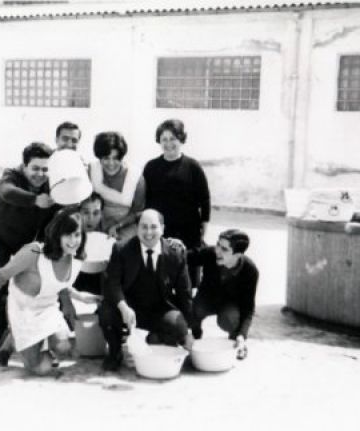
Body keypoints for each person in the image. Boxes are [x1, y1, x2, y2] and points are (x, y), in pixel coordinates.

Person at [0, 207, 101, 374]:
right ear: (57, 234)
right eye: (67, 234)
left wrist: (81, 297)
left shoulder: (77, 257)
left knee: (63, 346)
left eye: (77, 234)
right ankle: (12, 339)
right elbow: (0, 276)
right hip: (23, 309)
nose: (73, 241)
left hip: (47, 307)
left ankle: (22, 340)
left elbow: (59, 284)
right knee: (42, 368)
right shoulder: (34, 251)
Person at [0, 142, 59, 365]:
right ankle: (0, 339)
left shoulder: (51, 185)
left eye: (45, 169)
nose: (40, 174)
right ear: (24, 166)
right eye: (35, 168)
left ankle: (36, 337)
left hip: (24, 240)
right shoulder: (11, 175)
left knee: (38, 284)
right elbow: (6, 192)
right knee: (1, 283)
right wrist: (35, 200)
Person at [98, 209, 193, 371]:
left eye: (154, 227)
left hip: (161, 309)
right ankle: (115, 352)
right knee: (106, 311)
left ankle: (153, 340)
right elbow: (112, 283)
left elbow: (185, 293)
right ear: (137, 228)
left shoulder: (175, 254)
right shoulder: (121, 249)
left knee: (177, 326)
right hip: (129, 309)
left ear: (162, 228)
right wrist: (123, 307)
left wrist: (189, 330)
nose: (148, 232)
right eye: (144, 227)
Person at [142, 119, 211, 288]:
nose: (168, 143)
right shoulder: (151, 167)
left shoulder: (193, 166)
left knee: (189, 279)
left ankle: (187, 310)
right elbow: (146, 200)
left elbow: (205, 198)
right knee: (162, 275)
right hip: (162, 229)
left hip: (189, 230)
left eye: (173, 138)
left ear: (181, 139)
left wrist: (204, 224)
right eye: (164, 139)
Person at [188, 229, 258, 360]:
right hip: (206, 299)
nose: (217, 251)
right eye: (218, 245)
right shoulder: (211, 254)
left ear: (238, 255)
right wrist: (173, 247)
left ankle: (234, 341)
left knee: (230, 319)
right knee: (194, 309)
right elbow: (186, 257)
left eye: (224, 249)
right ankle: (195, 334)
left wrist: (242, 336)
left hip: (229, 305)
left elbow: (248, 309)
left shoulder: (250, 270)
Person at [89, 132, 145, 242]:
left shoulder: (136, 178)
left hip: (125, 225)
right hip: (97, 223)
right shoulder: (91, 170)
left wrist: (118, 226)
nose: (111, 163)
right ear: (99, 156)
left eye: (116, 158)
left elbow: (137, 212)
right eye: (106, 158)